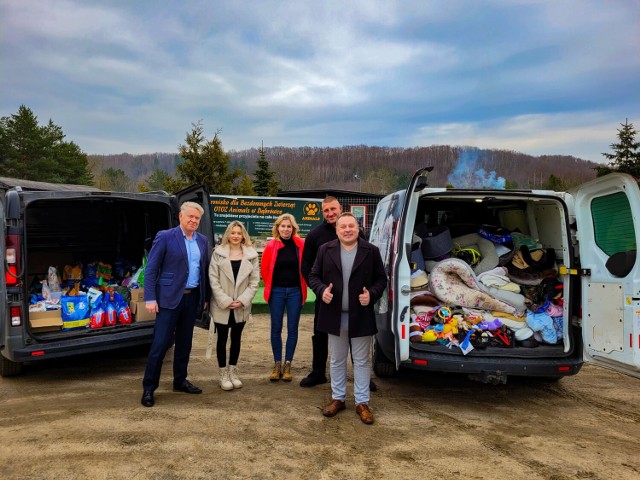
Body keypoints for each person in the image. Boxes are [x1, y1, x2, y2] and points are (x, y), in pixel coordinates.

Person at [309, 212, 386, 424]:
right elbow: (313, 276)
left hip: (360, 315)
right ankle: (338, 398)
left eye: (351, 226)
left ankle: (362, 402)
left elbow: (381, 279)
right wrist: (322, 290)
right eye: (343, 227)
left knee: (361, 361)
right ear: (337, 230)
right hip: (334, 315)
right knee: (336, 359)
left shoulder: (371, 251)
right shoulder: (326, 250)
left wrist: (371, 294)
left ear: (358, 227)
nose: (348, 230)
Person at [299, 196, 375, 390]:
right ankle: (318, 372)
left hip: (355, 300)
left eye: (333, 209)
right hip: (326, 298)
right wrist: (319, 289)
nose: (330, 213)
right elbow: (307, 267)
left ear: (340, 208)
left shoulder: (357, 234)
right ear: (322, 213)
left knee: (354, 334)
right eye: (326, 211)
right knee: (320, 334)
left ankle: (362, 378)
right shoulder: (315, 235)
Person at [141, 201, 210, 407]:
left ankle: (180, 381)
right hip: (168, 299)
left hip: (192, 298)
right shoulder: (165, 236)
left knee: (185, 344)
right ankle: (149, 388)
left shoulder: (203, 241)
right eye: (190, 216)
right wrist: (151, 298)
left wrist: (205, 297)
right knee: (160, 345)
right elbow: (151, 269)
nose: (194, 220)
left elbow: (203, 271)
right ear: (180, 216)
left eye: (197, 218)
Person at [208, 221, 260, 391]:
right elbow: (213, 279)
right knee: (222, 339)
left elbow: (254, 282)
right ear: (228, 234)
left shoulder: (251, 255)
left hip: (241, 306)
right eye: (233, 233)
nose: (236, 236)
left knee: (236, 339)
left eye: (239, 233)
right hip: (222, 305)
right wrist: (225, 300)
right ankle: (223, 373)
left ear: (243, 235)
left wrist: (242, 300)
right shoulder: (218, 254)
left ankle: (233, 371)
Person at [261, 213, 307, 382]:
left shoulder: (301, 244)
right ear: (278, 228)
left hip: (295, 291)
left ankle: (288, 364)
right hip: (277, 292)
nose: (286, 229)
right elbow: (265, 270)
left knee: (293, 328)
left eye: (289, 226)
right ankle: (277, 364)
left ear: (293, 228)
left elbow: (306, 266)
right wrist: (272, 287)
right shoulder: (271, 245)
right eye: (283, 226)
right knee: (276, 328)